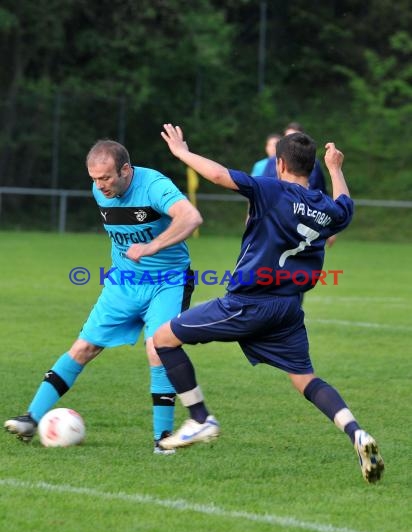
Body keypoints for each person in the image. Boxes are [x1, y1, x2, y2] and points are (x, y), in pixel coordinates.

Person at [152, 124, 384, 484]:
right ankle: (357, 433)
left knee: (163, 338)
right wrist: (336, 168)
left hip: (250, 303)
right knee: (304, 378)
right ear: (313, 169)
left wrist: (182, 153)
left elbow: (217, 174)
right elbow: (346, 207)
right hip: (288, 309)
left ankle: (200, 419)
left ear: (278, 164)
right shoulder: (325, 208)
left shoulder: (271, 189)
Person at [4, 139, 203, 454]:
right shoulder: (100, 190)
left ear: (126, 169)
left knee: (157, 349)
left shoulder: (154, 185)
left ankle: (163, 440)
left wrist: (151, 247)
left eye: (107, 177)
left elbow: (191, 218)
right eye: (94, 178)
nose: (100, 185)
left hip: (169, 281)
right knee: (83, 347)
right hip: (123, 283)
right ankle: (31, 418)